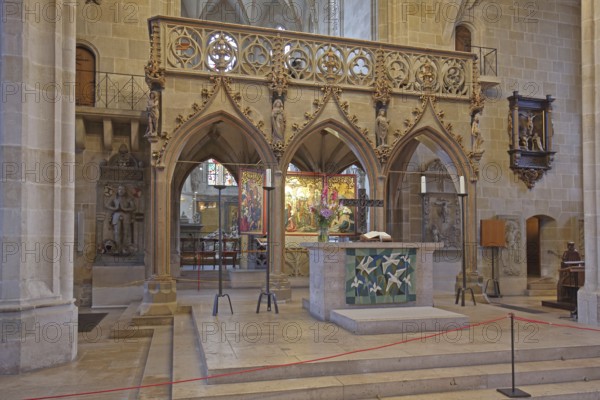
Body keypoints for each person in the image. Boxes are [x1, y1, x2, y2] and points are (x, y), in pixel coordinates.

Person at [106, 185, 136, 254]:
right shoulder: (114, 197)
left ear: (125, 191)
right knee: (117, 233)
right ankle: (117, 248)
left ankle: (124, 248)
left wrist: (126, 209)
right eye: (119, 189)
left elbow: (133, 207)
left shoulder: (129, 198)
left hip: (126, 215)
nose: (121, 191)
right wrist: (114, 208)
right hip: (116, 215)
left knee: (125, 233)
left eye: (122, 189)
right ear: (118, 190)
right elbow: (107, 205)